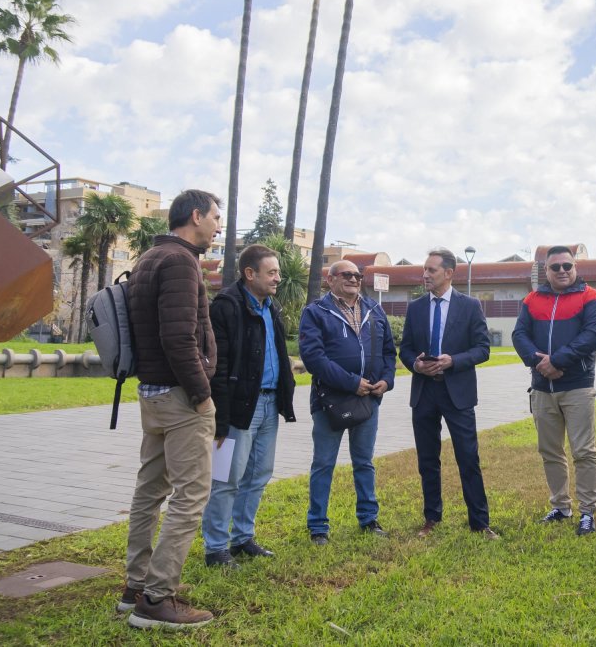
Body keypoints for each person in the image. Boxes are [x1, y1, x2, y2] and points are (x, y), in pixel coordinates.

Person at [121, 189, 222, 629]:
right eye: (216, 218)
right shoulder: (180, 261)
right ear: (195, 216)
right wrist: (202, 395)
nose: (218, 226)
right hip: (181, 398)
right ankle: (157, 598)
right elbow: (179, 337)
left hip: (153, 392)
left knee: (150, 490)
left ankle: (134, 587)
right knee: (191, 495)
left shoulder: (150, 256)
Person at [199, 244, 297, 569]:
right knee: (226, 479)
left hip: (269, 404)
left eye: (279, 272)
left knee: (258, 475)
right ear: (250, 273)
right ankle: (216, 548)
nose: (278, 278)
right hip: (239, 408)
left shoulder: (270, 306)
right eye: (272, 272)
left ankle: (242, 539)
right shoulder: (226, 307)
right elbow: (218, 367)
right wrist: (221, 420)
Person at [399, 248, 498, 540]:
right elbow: (404, 348)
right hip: (424, 392)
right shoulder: (416, 307)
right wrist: (416, 364)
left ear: (449, 273)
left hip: (458, 392)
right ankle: (432, 518)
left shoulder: (470, 306)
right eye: (424, 269)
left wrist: (453, 360)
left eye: (431, 270)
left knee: (468, 457)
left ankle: (479, 522)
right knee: (427, 460)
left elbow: (483, 349)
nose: (425, 274)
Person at [300, 260, 396, 544]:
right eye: (347, 274)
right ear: (330, 280)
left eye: (358, 275)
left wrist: (387, 381)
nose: (354, 279)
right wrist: (351, 383)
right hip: (331, 400)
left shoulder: (375, 310)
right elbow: (314, 358)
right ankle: (318, 526)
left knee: (364, 462)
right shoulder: (315, 312)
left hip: (368, 398)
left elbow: (389, 351)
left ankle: (369, 519)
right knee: (324, 463)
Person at [512, 246, 596, 535]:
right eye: (556, 267)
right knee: (550, 450)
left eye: (568, 265)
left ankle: (587, 511)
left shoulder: (591, 297)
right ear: (546, 271)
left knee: (583, 451)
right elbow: (519, 335)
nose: (563, 271)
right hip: (542, 388)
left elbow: (592, 336)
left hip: (576, 386)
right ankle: (561, 506)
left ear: (575, 267)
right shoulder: (532, 299)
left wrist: (557, 361)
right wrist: (540, 364)